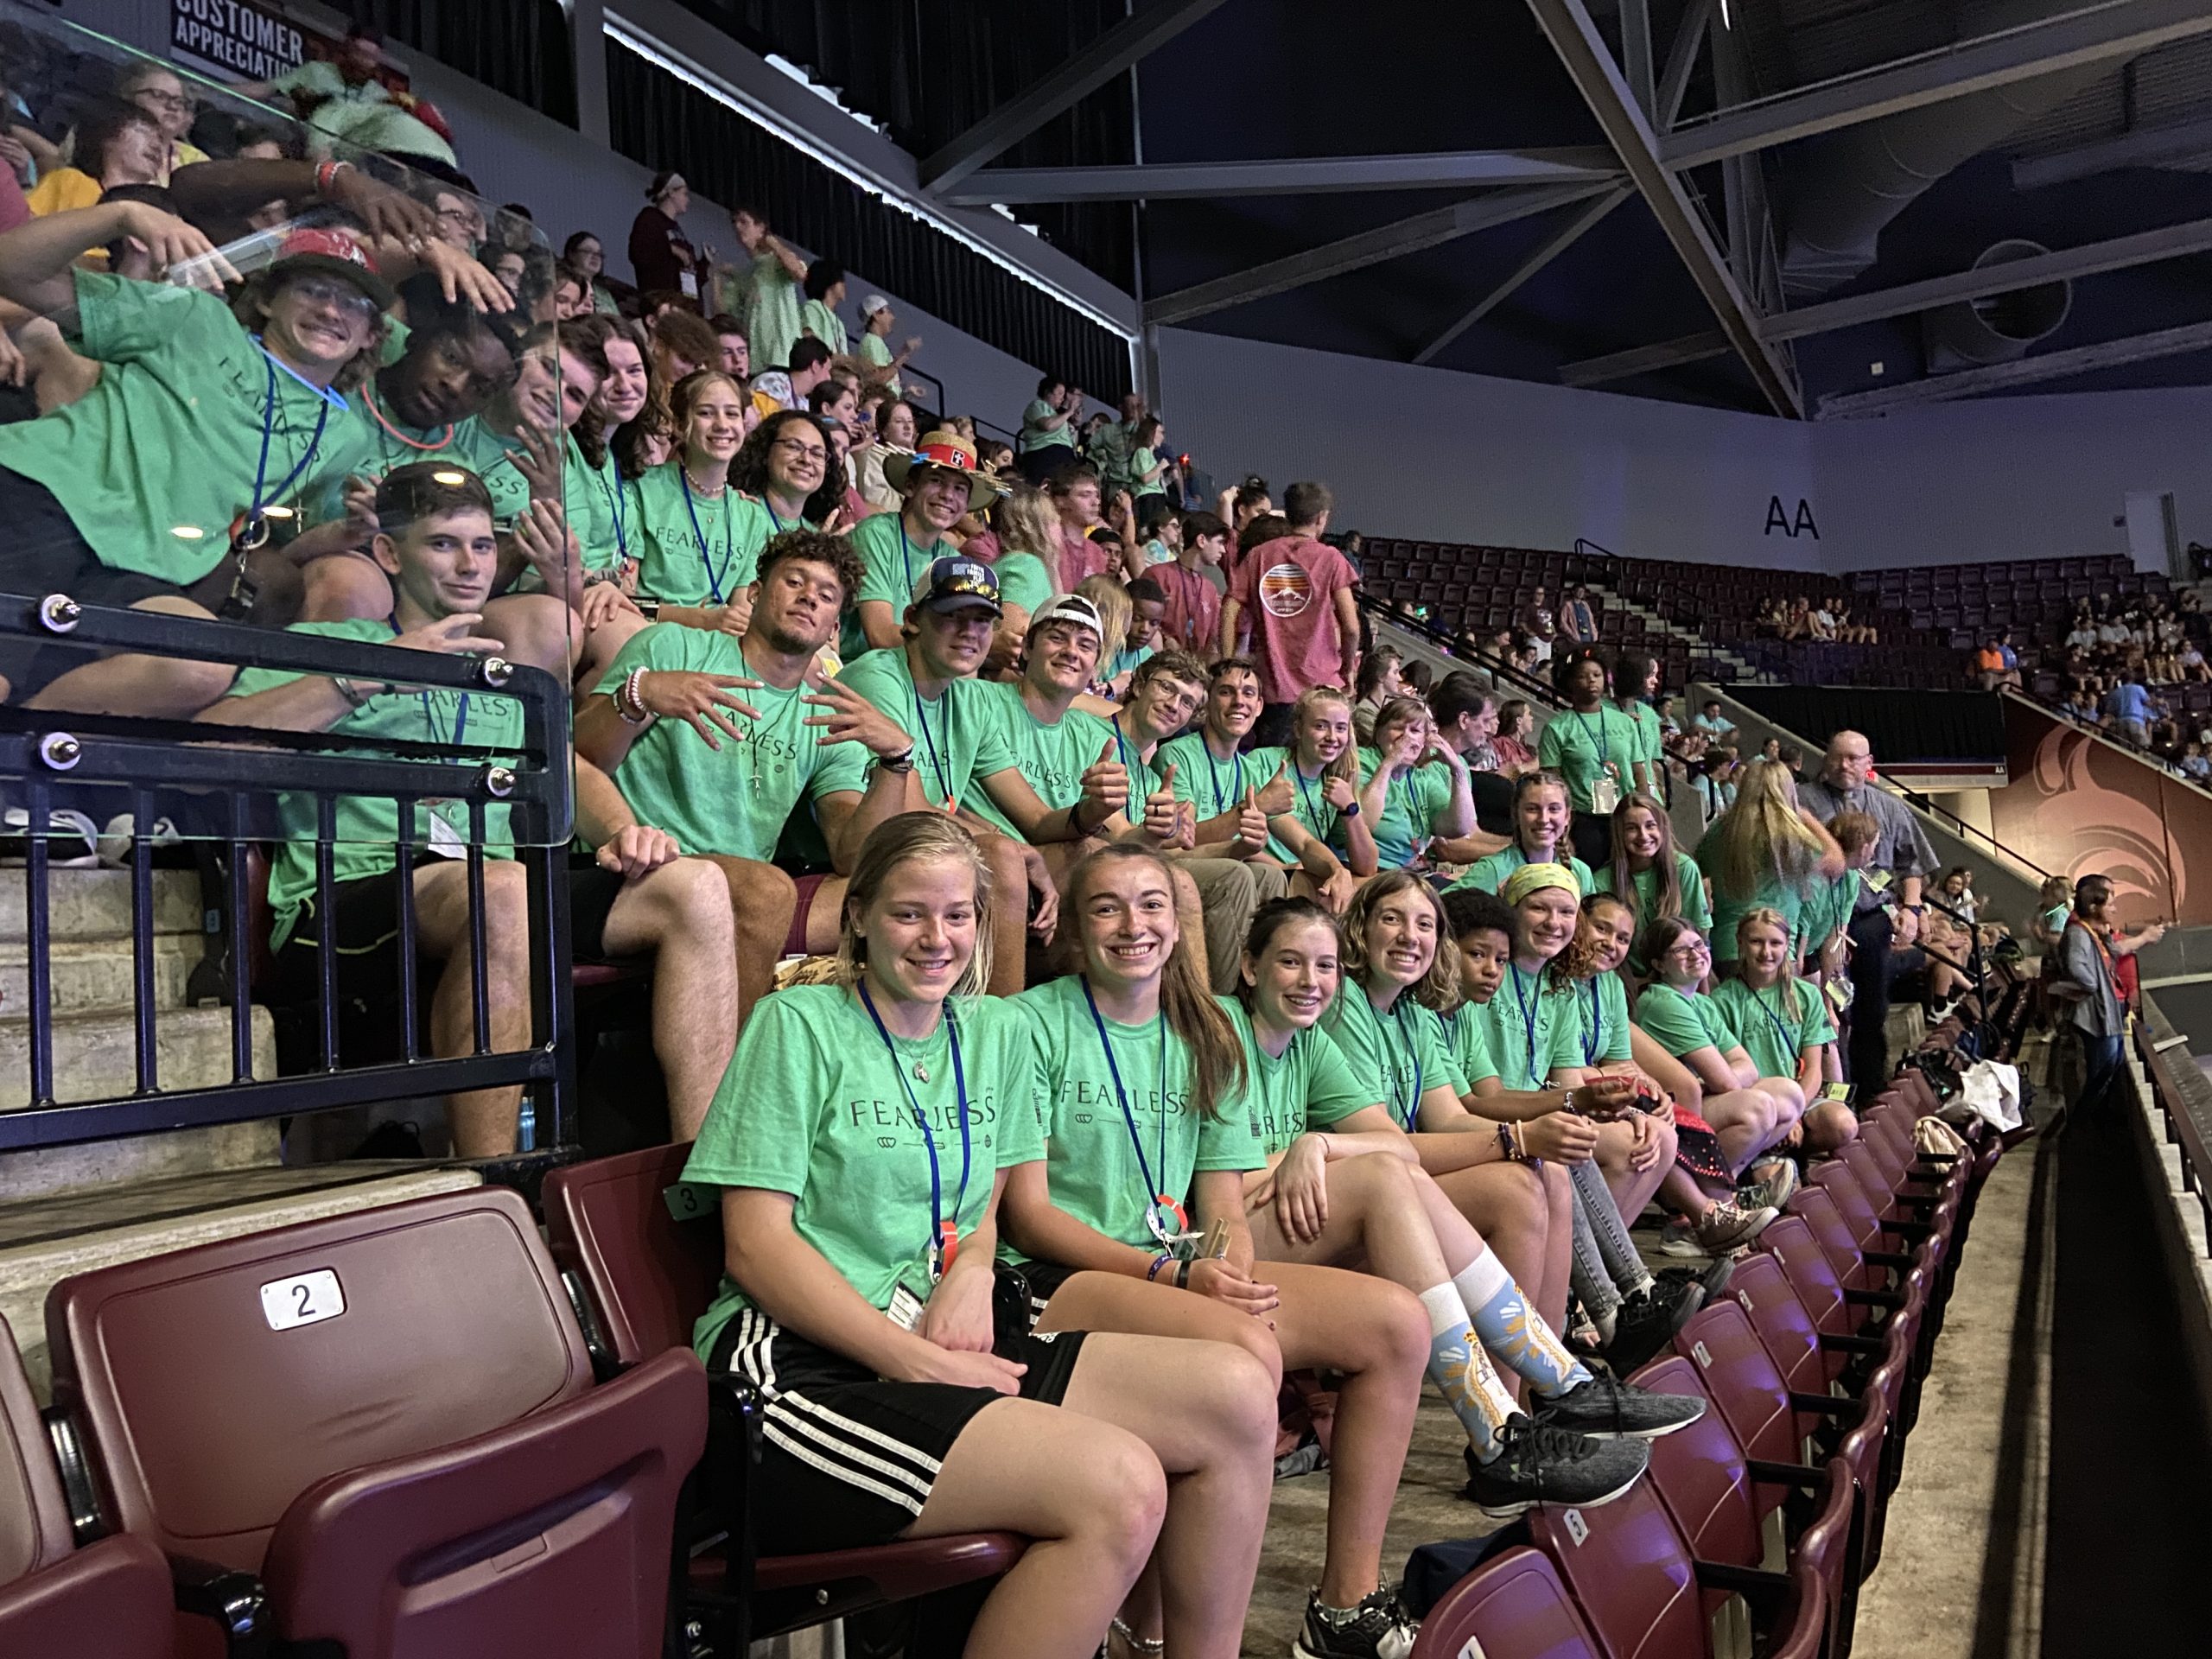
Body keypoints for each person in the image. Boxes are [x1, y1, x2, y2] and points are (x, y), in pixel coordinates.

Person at [681, 813, 1279, 1659]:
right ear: (857, 917)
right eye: (909, 914)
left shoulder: (992, 1033)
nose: (938, 939)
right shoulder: (799, 1025)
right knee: (1119, 1488)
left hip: (951, 1323)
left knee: (1236, 1397)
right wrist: (917, 1362)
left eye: (957, 914)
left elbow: (985, 1206)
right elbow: (756, 1247)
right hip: (799, 1369)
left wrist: (966, 1272)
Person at [201, 463, 736, 1153]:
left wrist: (627, 832)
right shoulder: (336, 646)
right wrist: (364, 676)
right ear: (390, 555)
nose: (470, 565)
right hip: (344, 893)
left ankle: (708, 1168)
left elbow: (564, 766)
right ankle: (497, 1179)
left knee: (695, 887)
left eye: (483, 546)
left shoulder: (500, 670)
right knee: (504, 891)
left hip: (484, 886)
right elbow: (216, 736)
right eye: (443, 544)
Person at [1230, 899, 1692, 1529]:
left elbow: (1393, 1136)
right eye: (1290, 962)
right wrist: (1518, 1135)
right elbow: (1228, 1182)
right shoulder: (1232, 1031)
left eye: (1323, 966)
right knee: (1397, 1177)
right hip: (1235, 1229)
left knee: (1518, 1183)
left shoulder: (1312, 1040)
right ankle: (1521, 1411)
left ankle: (1535, 1400)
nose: (1311, 981)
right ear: (1249, 967)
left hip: (1313, 1207)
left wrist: (1323, 1143)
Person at [0, 210, 388, 714]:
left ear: (371, 336)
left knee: (199, 667)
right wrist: (122, 216)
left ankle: (24, 751)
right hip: (44, 499)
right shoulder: (194, 319)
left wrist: (349, 531)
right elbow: (14, 270)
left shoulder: (345, 435)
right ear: (268, 300)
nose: (332, 311)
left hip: (143, 567)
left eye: (354, 304)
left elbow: (292, 534)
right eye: (313, 290)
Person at [576, 530, 916, 1027]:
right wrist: (640, 694)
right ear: (755, 594)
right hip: (638, 866)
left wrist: (895, 762)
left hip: (740, 888)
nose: (808, 599)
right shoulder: (673, 644)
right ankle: (738, 1076)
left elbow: (851, 854)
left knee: (912, 893)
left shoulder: (828, 712)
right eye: (794, 582)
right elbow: (579, 755)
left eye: (825, 597)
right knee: (767, 891)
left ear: (832, 629)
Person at [1475, 882, 1707, 1372]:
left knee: (1638, 1135)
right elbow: (1486, 1099)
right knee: (1564, 1148)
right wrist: (1578, 1104)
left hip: (1530, 1110)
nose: (1552, 921)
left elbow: (1569, 1081)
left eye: (1562, 910)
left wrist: (1626, 1109)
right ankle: (1610, 1305)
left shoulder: (1555, 988)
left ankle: (1627, 1298)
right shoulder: (1482, 991)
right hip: (1496, 1124)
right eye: (1538, 907)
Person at [1635, 916, 1804, 1225]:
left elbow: (1747, 1069)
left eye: (1699, 944)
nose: (1696, 954)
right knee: (1757, 1108)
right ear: (1659, 964)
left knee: (1789, 1094)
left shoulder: (1701, 1003)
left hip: (1701, 1103)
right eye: (1681, 951)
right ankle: (1694, 1208)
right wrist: (1713, 1081)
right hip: (1673, 1117)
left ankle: (1723, 1193)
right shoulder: (1662, 1002)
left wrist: (1708, 1082)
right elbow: (1727, 1080)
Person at [1793, 732, 1935, 1098]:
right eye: (1838, 757)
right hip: (1819, 925)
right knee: (1829, 1017)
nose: (1845, 765)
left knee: (1871, 1011)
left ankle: (1871, 1093)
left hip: (1870, 923)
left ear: (1869, 763)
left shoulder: (1889, 807)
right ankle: (1835, 1094)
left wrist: (1913, 908)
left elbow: (1912, 863)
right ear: (1825, 758)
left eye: (1854, 759)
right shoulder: (1801, 803)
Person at [1221, 481, 1357, 747]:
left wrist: (1229, 661)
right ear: (1321, 518)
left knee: (1272, 772)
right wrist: (1348, 670)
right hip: (1321, 689)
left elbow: (1229, 609)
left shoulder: (1259, 555)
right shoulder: (1332, 558)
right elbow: (1351, 627)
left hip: (1273, 690)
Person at [1713, 909, 1855, 1154]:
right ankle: (1767, 1154)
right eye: (1756, 942)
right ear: (1740, 943)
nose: (1766, 952)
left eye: (1775, 943)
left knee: (1844, 1125)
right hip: (1754, 1103)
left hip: (1799, 1098)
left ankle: (1790, 1150)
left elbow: (1813, 1069)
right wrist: (1778, 1117)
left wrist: (1794, 1115)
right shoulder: (1721, 1001)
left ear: (1786, 945)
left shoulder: (1806, 995)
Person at [849, 428, 996, 654]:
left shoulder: (953, 560)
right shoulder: (876, 534)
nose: (948, 495)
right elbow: (879, 635)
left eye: (959, 488)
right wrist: (958, 646)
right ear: (910, 486)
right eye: (936, 480)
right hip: (863, 667)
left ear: (966, 506)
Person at [2050, 874, 2164, 1132]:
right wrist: (2092, 984)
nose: (2113, 909)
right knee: (2102, 1068)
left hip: (2104, 1011)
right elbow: (2075, 967)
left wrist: (2112, 937)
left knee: (2111, 1064)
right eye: (2109, 904)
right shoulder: (2078, 933)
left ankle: (2096, 1120)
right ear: (2093, 906)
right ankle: (2081, 1124)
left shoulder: (2093, 931)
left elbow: (2113, 953)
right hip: (2094, 1014)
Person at [1266, 685, 1377, 911]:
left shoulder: (1336, 780)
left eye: (1340, 728)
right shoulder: (1268, 763)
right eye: (1320, 726)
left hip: (1305, 871)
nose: (1332, 737)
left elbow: (1367, 866)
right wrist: (1282, 866)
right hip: (1268, 869)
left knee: (1372, 887)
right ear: (1298, 729)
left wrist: (1350, 808)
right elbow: (1240, 837)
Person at [1539, 650, 1639, 868]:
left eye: (1597, 674)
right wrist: (1562, 832)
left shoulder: (1625, 723)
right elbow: (1552, 785)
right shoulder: (1557, 728)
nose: (1592, 680)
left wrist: (1649, 810)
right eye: (1583, 675)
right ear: (1570, 683)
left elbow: (1639, 770)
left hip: (1625, 814)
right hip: (1583, 821)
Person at [1356, 696, 1477, 872]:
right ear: (1379, 734)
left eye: (1415, 730)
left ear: (1424, 741)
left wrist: (1457, 772)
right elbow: (1361, 823)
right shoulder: (1361, 759)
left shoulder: (1421, 779)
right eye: (1397, 728)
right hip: (1363, 866)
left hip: (1405, 873)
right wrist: (1390, 762)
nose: (1406, 736)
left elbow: (1459, 827)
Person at [1596, 791, 1709, 979]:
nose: (1643, 835)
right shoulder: (1602, 881)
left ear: (1663, 828)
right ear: (1619, 833)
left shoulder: (1683, 868)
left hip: (1680, 977)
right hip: (1629, 980)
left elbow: (1700, 934)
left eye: (1650, 826)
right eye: (1632, 828)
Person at [1452, 770, 1596, 898]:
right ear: (1516, 814)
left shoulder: (1580, 872)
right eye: (1532, 809)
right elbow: (1442, 908)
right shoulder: (1494, 869)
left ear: (1567, 817)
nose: (1544, 819)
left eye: (1554, 809)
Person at [24, 101, 167, 219]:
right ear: (107, 135)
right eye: (143, 131)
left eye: (160, 139)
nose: (156, 146)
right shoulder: (71, 181)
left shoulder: (155, 210)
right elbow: (23, 231)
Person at [1154, 509, 1226, 658]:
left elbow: (1212, 641)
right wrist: (1165, 638)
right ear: (1201, 540)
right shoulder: (1158, 576)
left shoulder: (1210, 589)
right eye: (1219, 542)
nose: (1223, 550)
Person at [627, 171, 704, 301]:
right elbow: (640, 251)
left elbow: (689, 271)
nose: (688, 200)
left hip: (683, 303)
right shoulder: (649, 218)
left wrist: (704, 263)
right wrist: (672, 249)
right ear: (671, 193)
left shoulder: (677, 230)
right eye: (684, 194)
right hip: (659, 300)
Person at [1611, 651, 1665, 798]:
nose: (1656, 681)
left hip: (1647, 795)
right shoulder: (1603, 711)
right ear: (1634, 676)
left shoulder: (1649, 715)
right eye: (1650, 675)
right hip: (1614, 793)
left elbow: (1652, 762)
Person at [1017, 375, 1079, 483]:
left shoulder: (1058, 415)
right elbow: (1048, 425)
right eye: (1059, 393)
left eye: (1064, 395)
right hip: (1045, 453)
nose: (1062, 398)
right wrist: (1069, 412)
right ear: (1048, 392)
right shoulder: (1038, 405)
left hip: (1064, 454)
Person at [855, 292, 919, 392]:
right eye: (888, 312)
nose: (892, 317)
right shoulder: (871, 341)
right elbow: (878, 379)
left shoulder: (878, 343)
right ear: (876, 314)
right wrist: (903, 354)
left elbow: (887, 382)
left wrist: (907, 391)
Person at [798, 257, 847, 354]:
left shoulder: (838, 322)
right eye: (841, 280)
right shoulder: (812, 307)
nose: (844, 285)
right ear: (830, 281)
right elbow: (809, 339)